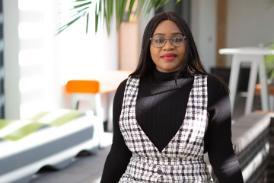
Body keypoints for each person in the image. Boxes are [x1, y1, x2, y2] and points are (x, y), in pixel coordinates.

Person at [101, 11, 243, 183]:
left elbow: (222, 156)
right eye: (159, 40)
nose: (168, 46)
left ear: (187, 43)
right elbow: (118, 154)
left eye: (177, 39)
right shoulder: (126, 89)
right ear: (148, 46)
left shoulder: (212, 89)